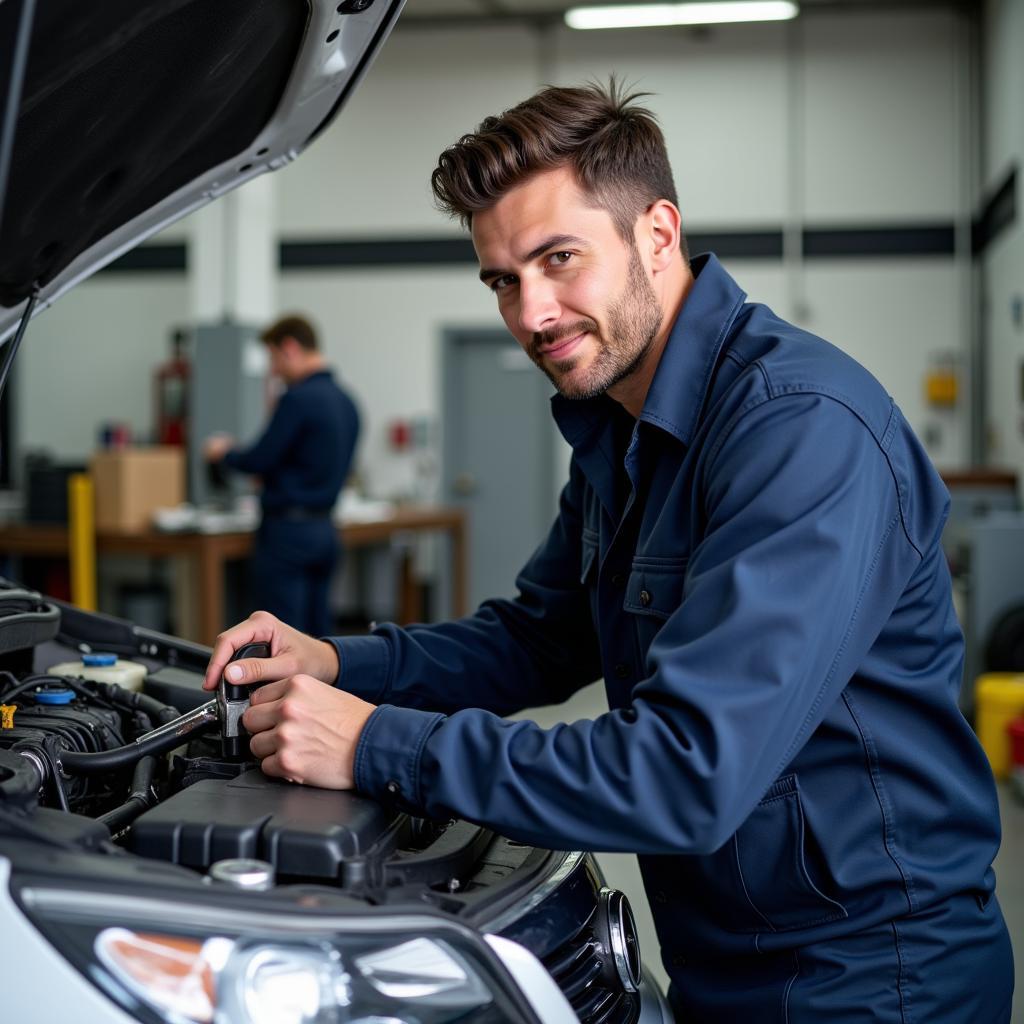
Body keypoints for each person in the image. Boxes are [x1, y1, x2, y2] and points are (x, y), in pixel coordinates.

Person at [203, 83, 1013, 1021]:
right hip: (729, 958)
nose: (532, 313)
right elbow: (539, 639)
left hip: (871, 979)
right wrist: (343, 661)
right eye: (503, 279)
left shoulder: (800, 431)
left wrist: (379, 743)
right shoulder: (620, 433)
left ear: (658, 234)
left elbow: (684, 772)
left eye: (558, 260)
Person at [203, 314, 360, 637]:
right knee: (319, 638)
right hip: (326, 531)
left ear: (289, 348)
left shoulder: (298, 399)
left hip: (288, 534)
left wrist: (225, 452)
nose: (273, 371)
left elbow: (260, 458)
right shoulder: (348, 402)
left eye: (273, 359)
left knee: (282, 635)